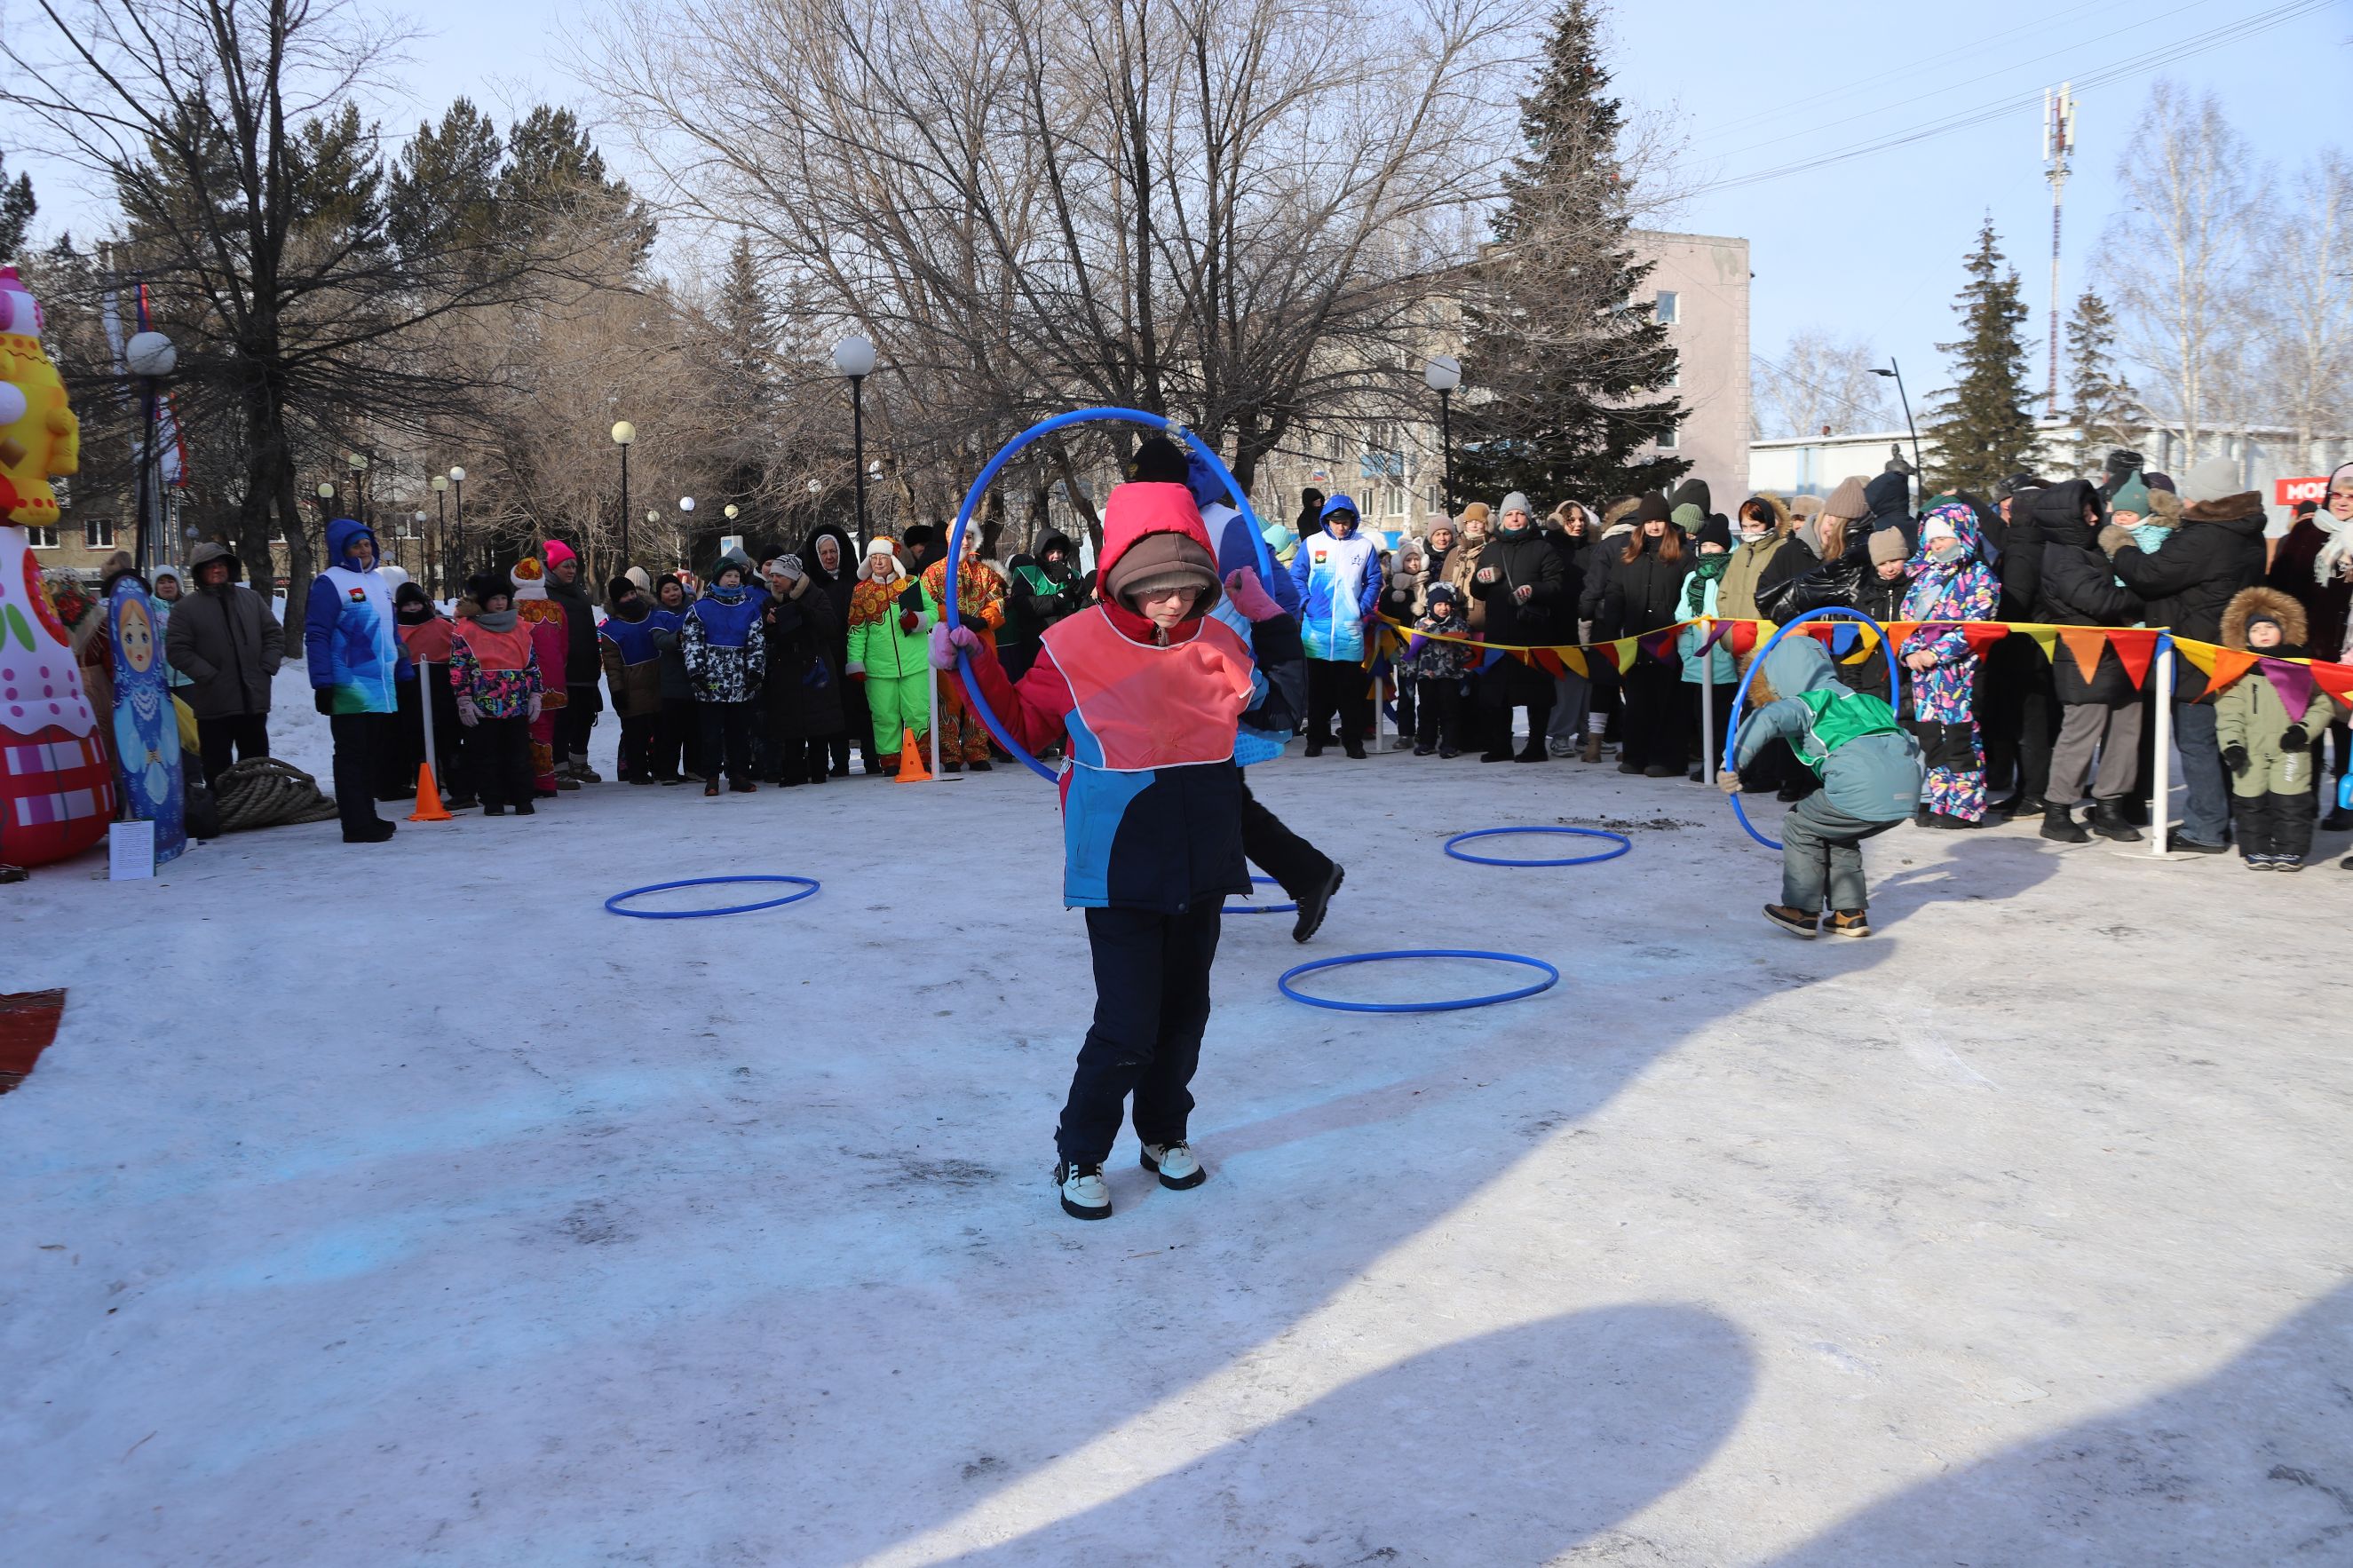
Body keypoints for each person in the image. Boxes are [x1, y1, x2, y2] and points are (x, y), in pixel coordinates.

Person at [936, 475, 1272, 1222]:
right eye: (1155, 588)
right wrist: (973, 662)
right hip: (1119, 862)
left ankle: (1164, 1132)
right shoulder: (1072, 644)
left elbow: (1279, 717)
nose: (1173, 602)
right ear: (1121, 579)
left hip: (1204, 856)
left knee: (1185, 1013)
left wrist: (1271, 621)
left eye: (1186, 585)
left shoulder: (1221, 641)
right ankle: (1081, 1151)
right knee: (1127, 1023)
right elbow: (1024, 728)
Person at [2103, 456, 2270, 855]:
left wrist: (2120, 546)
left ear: (2210, 497)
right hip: (2226, 646)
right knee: (2223, 738)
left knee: (2197, 742)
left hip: (2196, 649)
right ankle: (2221, 817)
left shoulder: (2208, 535)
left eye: (2192, 493)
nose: (2186, 500)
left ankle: (2205, 828)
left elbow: (2151, 574)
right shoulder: (2246, 529)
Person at [1723, 636, 1924, 939]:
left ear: (1782, 675)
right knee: (1839, 831)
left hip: (1861, 787)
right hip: (1905, 792)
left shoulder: (1806, 703)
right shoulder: (1867, 701)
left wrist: (1732, 762)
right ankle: (1849, 914)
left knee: (1801, 824)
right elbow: (1910, 742)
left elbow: (1767, 718)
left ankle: (1802, 909)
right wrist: (1915, 785)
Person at [2034, 479, 2148, 843]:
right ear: (2066, 519)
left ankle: (2110, 808)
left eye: (2093, 510)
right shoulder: (2063, 557)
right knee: (2081, 735)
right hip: (2085, 656)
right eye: (2085, 514)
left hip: (2122, 652)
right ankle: (2057, 810)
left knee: (2126, 732)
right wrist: (2145, 597)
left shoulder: (2089, 548)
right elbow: (2100, 601)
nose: (2095, 518)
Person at [2214, 587, 2338, 870]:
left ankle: (2290, 850)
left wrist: (2304, 730)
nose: (2264, 633)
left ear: (2284, 629)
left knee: (2291, 801)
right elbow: (2228, 714)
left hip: (2291, 747)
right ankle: (2255, 849)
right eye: (2256, 630)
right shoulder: (2239, 674)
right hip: (2250, 749)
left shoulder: (2301, 669)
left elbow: (2322, 705)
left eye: (2269, 627)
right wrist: (2232, 745)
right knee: (2250, 800)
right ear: (2246, 636)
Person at [302, 518, 406, 843]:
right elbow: (317, 634)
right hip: (349, 683)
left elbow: (392, 630)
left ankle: (368, 814)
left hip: (380, 685)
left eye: (366, 544)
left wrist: (403, 669)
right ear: (341, 550)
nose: (363, 550)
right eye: (355, 546)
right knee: (352, 754)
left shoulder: (378, 581)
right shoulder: (330, 582)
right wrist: (322, 682)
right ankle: (355, 823)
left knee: (372, 753)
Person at [1897, 502, 2001, 828]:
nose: (1936, 545)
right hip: (1924, 677)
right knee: (1932, 738)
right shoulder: (1925, 576)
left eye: (1942, 538)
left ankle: (1966, 808)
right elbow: (1906, 620)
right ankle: (1941, 800)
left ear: (1961, 535)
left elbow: (1977, 625)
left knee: (1960, 738)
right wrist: (1910, 652)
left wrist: (1935, 653)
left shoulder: (1980, 577)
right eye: (1932, 539)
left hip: (1959, 674)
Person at [165, 542, 283, 788]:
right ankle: (221, 806)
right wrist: (209, 675)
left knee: (257, 767)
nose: (217, 570)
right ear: (199, 572)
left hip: (253, 700)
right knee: (217, 770)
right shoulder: (185, 609)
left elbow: (273, 634)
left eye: (221, 565)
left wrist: (266, 667)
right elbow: (177, 651)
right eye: (210, 567)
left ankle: (256, 803)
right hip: (214, 703)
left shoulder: (251, 599)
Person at [1469, 492, 1568, 762]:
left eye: (1520, 514)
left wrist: (1533, 590)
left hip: (1533, 633)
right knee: (1497, 694)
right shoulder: (1491, 549)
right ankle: (1501, 745)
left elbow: (1557, 586)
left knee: (1537, 694)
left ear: (1528, 517)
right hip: (1499, 633)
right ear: (1502, 519)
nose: (1514, 518)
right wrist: (1481, 579)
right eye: (1510, 514)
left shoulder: (1543, 548)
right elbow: (1476, 591)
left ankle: (1536, 746)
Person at [1603, 495, 1693, 776]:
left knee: (1668, 703)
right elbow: (1615, 592)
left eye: (1659, 521)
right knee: (1637, 702)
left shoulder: (1682, 556)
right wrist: (1611, 628)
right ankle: (1635, 756)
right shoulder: (1628, 557)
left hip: (1670, 643)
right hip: (1635, 641)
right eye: (1649, 521)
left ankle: (1667, 759)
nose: (1654, 526)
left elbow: (1691, 598)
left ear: (1667, 523)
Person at [1289, 494, 1382, 757]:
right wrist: (1306, 603)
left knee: (1350, 692)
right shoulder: (1312, 544)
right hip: (1316, 632)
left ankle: (1353, 742)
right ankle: (1316, 739)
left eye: (1345, 521)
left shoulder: (1363, 546)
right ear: (1326, 521)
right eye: (1336, 522)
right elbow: (1296, 576)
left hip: (1348, 631)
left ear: (1353, 520)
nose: (1341, 526)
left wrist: (1361, 608)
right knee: (1318, 692)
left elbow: (1374, 580)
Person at [448, 573, 543, 815]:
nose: (500, 603)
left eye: (503, 598)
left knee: (519, 755)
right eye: (494, 599)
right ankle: (493, 801)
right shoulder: (467, 630)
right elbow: (459, 667)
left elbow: (531, 665)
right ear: (484, 601)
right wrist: (464, 698)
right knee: (487, 756)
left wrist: (535, 693)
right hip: (484, 706)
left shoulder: (520, 628)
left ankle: (522, 799)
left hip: (516, 704)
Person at [846, 537, 934, 775]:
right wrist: (855, 662)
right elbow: (856, 630)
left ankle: (921, 757)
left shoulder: (911, 583)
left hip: (915, 663)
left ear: (893, 559)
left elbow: (933, 612)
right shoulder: (861, 591)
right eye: (873, 558)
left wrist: (918, 620)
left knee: (918, 712)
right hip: (879, 668)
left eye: (882, 557)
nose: (878, 562)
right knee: (884, 715)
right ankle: (891, 761)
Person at [921, 530, 1006, 772]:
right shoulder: (934, 572)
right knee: (949, 697)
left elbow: (998, 602)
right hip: (948, 639)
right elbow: (928, 604)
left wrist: (984, 619)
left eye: (969, 537)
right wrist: (954, 617)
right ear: (950, 538)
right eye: (961, 536)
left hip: (980, 641)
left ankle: (977, 751)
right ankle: (949, 754)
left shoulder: (985, 572)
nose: (965, 542)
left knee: (980, 696)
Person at [757, 554, 843, 787]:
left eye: (780, 576)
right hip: (786, 667)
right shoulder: (769, 602)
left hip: (815, 664)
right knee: (790, 722)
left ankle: (818, 770)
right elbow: (764, 636)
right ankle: (793, 772)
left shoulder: (816, 595)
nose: (774, 580)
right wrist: (770, 623)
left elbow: (831, 626)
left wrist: (804, 611)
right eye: (773, 575)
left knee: (818, 721)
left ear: (793, 577)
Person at [683, 559, 766, 795]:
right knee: (711, 734)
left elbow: (757, 643)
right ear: (718, 578)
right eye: (728, 575)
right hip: (710, 683)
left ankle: (738, 774)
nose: (733, 580)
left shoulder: (749, 609)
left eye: (737, 576)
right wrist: (696, 672)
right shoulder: (700, 609)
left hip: (740, 682)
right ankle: (711, 776)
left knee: (739, 733)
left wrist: (755, 672)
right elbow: (692, 642)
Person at [391, 581, 468, 808]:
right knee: (417, 744)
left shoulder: (443, 626)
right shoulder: (395, 631)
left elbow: (460, 650)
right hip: (410, 692)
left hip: (442, 690)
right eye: (407, 605)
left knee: (449, 742)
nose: (413, 608)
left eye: (416, 603)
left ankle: (460, 791)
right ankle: (427, 789)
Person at [1677, 516, 1736, 780]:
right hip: (1696, 660)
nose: (1710, 551)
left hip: (1726, 659)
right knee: (1702, 717)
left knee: (1723, 717)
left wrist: (1731, 650)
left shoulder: (1732, 576)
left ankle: (1724, 763)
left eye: (1715, 545)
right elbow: (1682, 619)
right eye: (1705, 546)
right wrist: (1687, 653)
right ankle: (1707, 762)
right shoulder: (1693, 577)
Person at [541, 540, 604, 784]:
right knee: (562, 719)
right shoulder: (545, 593)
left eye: (574, 566)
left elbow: (588, 629)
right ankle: (559, 766)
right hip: (561, 669)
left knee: (585, 716)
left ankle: (579, 762)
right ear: (553, 567)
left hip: (585, 667)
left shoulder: (579, 592)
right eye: (565, 566)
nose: (571, 570)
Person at [598, 577, 665, 784]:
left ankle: (661, 768)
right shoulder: (612, 630)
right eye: (625, 596)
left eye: (632, 593)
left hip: (658, 680)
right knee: (635, 734)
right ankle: (637, 772)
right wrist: (617, 691)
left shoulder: (654, 616)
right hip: (632, 687)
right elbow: (612, 666)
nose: (631, 598)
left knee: (660, 731)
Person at [1541, 502, 1593, 756]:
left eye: (1581, 519)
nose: (1577, 524)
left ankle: (1587, 735)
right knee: (1567, 684)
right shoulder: (1550, 548)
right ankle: (1560, 735)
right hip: (1561, 624)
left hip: (1589, 623)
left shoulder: (1590, 548)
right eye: (1571, 520)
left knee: (1589, 682)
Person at [1002, 530, 1087, 684]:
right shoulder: (1028, 574)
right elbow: (1023, 604)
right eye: (1051, 552)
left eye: (1059, 552)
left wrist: (1071, 581)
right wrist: (1056, 599)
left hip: (1068, 645)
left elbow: (1086, 602)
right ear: (1042, 553)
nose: (1056, 556)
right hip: (1037, 645)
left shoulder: (1073, 575)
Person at [1407, 581, 1473, 756]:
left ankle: (1450, 744)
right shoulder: (1421, 625)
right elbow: (1413, 651)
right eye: (1439, 604)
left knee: (1450, 710)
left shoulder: (1459, 625)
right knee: (1426, 709)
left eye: (1447, 604)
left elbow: (1467, 652)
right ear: (1430, 605)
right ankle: (1426, 742)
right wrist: (1411, 674)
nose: (1443, 608)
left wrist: (1466, 674)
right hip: (1426, 676)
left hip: (1450, 675)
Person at [646, 574, 698, 784]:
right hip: (670, 683)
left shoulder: (694, 610)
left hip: (694, 681)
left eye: (675, 589)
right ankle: (668, 771)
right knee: (671, 731)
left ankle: (694, 768)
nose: (672, 594)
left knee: (694, 730)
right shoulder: (659, 615)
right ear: (660, 595)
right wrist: (677, 638)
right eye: (666, 591)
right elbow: (660, 640)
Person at [1380, 540, 1426, 747]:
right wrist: (1394, 645)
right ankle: (1406, 733)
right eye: (1409, 560)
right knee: (1407, 693)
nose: (1413, 563)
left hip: (1428, 651)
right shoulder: (1392, 591)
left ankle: (1426, 732)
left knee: (1427, 694)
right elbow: (1384, 619)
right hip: (1403, 649)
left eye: (1417, 559)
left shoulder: (1429, 586)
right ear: (1401, 562)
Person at [148, 566, 194, 695]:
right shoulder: (148, 608)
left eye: (171, 581)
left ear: (177, 584)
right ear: (155, 586)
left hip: (188, 678)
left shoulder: (189, 606)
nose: (167, 585)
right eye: (161, 582)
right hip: (159, 680)